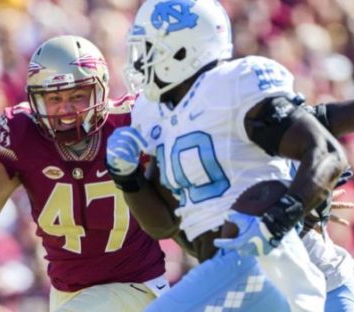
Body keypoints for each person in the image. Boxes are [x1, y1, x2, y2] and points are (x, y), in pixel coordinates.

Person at [106, 0, 354, 311]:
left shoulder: (233, 85)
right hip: (234, 273)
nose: (140, 61)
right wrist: (128, 180)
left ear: (183, 50)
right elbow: (165, 226)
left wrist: (282, 215)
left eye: (149, 49)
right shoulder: (152, 112)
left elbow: (325, 149)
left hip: (292, 271)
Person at [0, 35, 169, 312]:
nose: (66, 108)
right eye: (54, 98)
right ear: (36, 99)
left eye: (77, 96)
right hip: (67, 295)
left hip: (136, 286)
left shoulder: (131, 121)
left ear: (100, 90)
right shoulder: (22, 137)